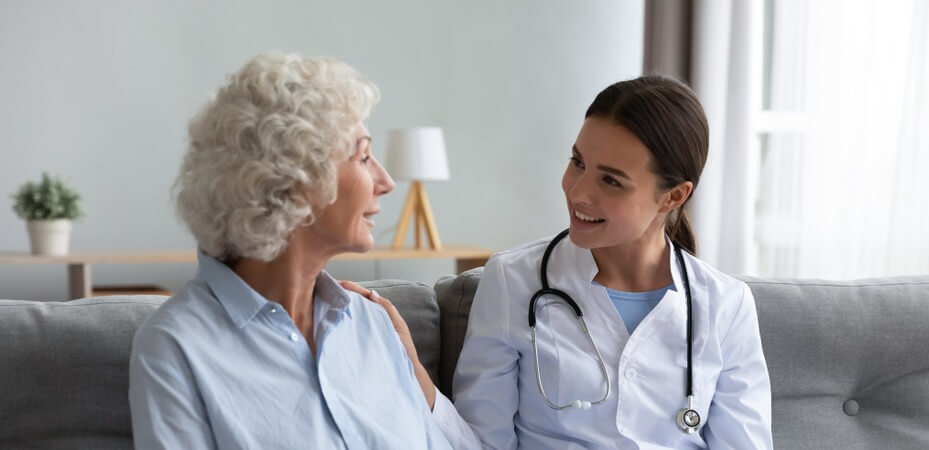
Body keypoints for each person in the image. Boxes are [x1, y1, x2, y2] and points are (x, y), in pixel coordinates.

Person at [353, 76, 772, 449]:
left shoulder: (726, 305)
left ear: (674, 197)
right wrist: (411, 365)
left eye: (610, 180)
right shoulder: (514, 281)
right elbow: (482, 443)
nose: (578, 192)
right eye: (577, 163)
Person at [128, 52, 451, 449]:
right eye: (364, 156)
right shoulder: (177, 348)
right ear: (297, 180)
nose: (385, 181)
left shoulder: (374, 325)